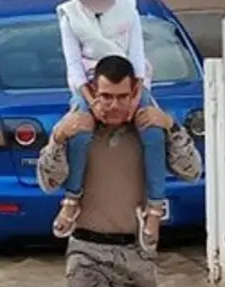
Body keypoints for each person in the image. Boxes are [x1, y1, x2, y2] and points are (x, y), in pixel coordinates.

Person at [35, 54, 201, 287]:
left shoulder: (150, 129)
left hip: (136, 255)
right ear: (93, 94)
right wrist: (58, 137)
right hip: (87, 251)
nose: (114, 105)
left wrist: (171, 125)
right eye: (106, 97)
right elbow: (47, 181)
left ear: (135, 92)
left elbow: (191, 171)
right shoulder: (77, 130)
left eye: (122, 97)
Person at [52, 0, 165, 244]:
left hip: (131, 85)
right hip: (90, 88)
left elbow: (137, 57)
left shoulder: (129, 8)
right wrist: (94, 102)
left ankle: (155, 209)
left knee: (154, 132)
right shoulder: (69, 14)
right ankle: (72, 200)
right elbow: (74, 67)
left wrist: (134, 99)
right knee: (80, 132)